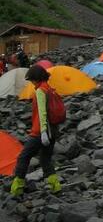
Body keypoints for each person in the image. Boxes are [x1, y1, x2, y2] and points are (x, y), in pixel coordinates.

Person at [10, 65, 62, 197]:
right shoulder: (50, 89)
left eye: (32, 79)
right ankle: (55, 187)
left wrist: (43, 132)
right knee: (45, 159)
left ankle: (17, 188)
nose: (31, 82)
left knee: (24, 157)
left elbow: (42, 112)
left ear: (36, 78)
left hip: (40, 132)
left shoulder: (40, 91)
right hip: (53, 131)